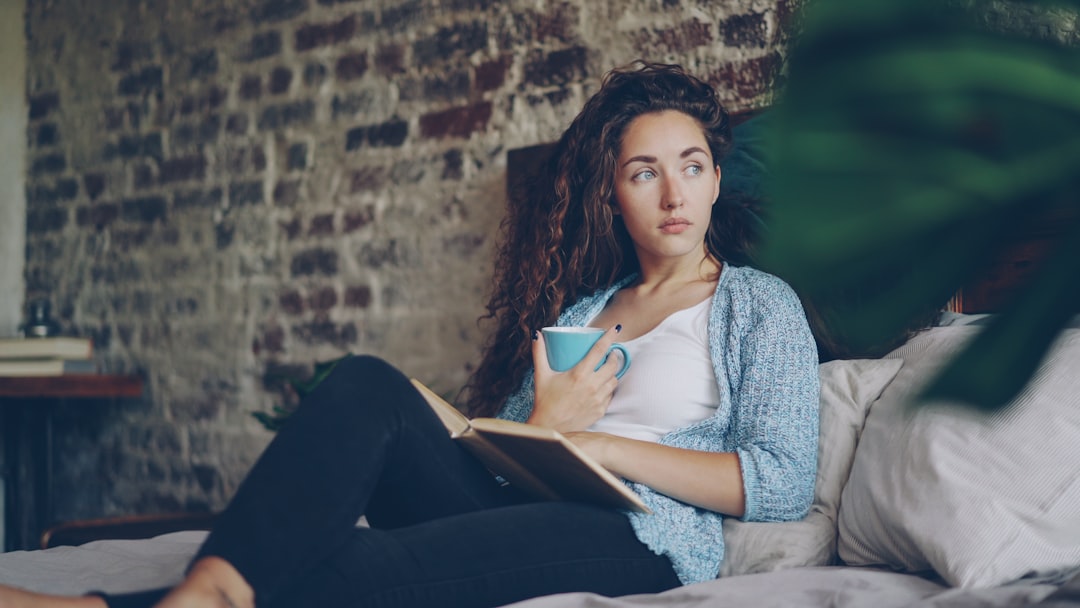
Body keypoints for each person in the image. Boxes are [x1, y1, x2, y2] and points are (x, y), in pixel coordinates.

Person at [0, 61, 819, 608]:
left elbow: (780, 481)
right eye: (645, 171)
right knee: (363, 382)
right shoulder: (582, 312)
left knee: (369, 570)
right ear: (615, 195)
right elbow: (505, 453)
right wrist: (543, 428)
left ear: (716, 179)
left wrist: (603, 451)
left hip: (635, 532)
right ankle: (201, 590)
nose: (673, 192)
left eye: (693, 165)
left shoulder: (756, 304)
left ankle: (105, 607)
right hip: (522, 499)